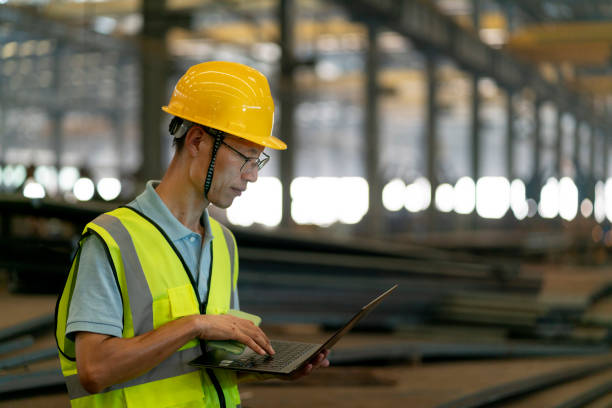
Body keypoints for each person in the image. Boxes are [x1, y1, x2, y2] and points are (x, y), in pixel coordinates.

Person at [55, 61, 329, 408]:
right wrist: (193, 325)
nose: (252, 175)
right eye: (246, 156)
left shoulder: (223, 244)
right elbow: (94, 370)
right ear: (198, 140)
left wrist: (271, 366)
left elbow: (204, 364)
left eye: (258, 161)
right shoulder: (112, 241)